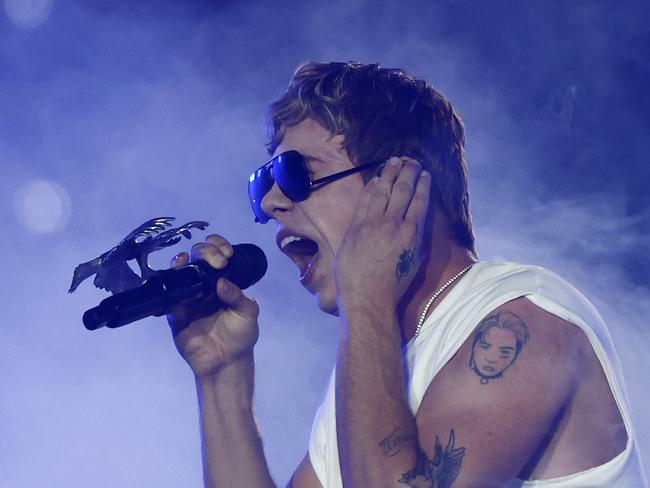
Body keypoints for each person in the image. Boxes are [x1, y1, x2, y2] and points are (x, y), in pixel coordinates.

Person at [167, 62, 646, 487]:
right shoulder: (373, 370)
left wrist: (367, 299)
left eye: (296, 174)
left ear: (403, 185)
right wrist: (223, 378)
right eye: (264, 184)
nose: (272, 203)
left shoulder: (527, 318)